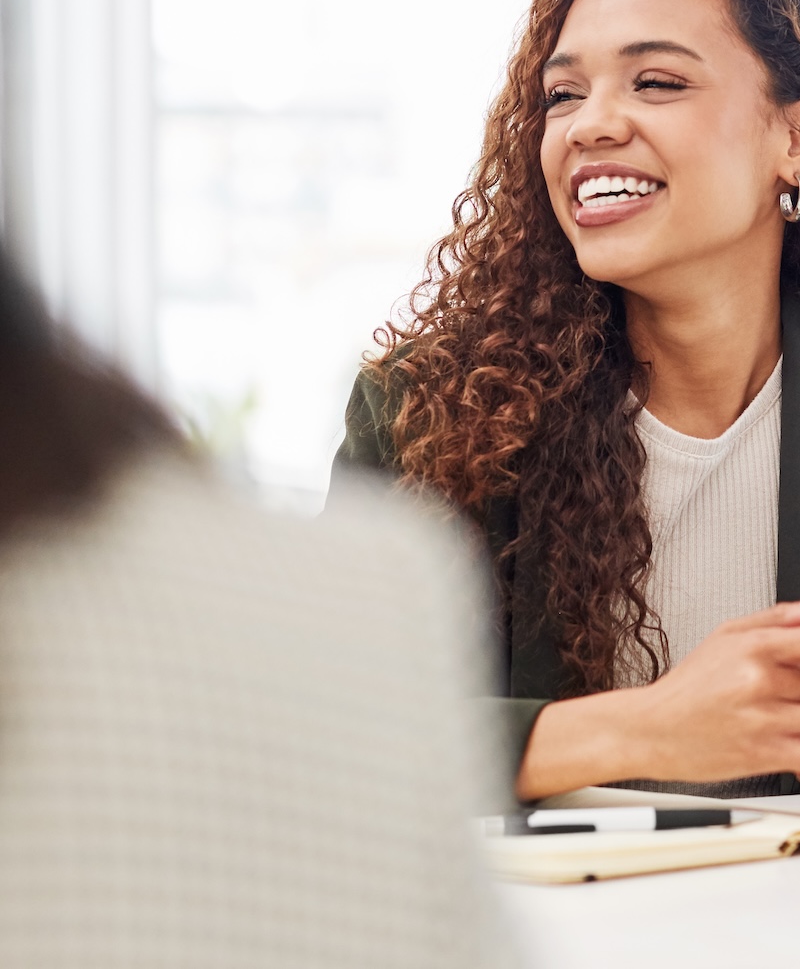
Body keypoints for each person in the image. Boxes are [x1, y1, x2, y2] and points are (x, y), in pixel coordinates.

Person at [334, 0, 800, 822]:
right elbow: (334, 731)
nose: (591, 126)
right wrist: (650, 728)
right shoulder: (431, 407)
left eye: (655, 82)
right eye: (562, 96)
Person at [0, 246, 512, 968]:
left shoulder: (360, 586)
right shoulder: (377, 541)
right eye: (554, 118)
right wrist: (628, 730)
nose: (596, 127)